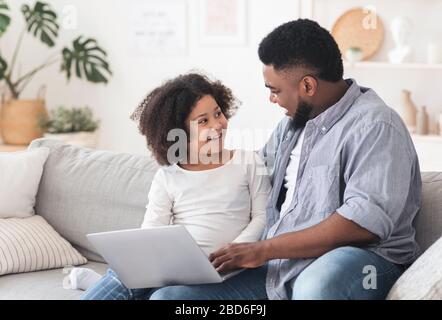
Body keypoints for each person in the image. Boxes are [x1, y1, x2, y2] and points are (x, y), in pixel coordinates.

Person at [146, 19, 422, 300]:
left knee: (317, 286)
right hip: (284, 265)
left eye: (274, 90)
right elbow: (252, 177)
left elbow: (363, 223)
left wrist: (263, 250)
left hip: (362, 262)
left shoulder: (376, 125)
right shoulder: (289, 127)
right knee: (169, 298)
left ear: (308, 86)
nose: (271, 99)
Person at [79, 73, 271, 300]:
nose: (217, 125)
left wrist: (237, 250)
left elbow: (263, 215)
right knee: (122, 276)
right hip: (180, 269)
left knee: (163, 297)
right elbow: (151, 232)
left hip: (231, 269)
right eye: (203, 121)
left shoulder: (248, 162)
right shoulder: (168, 177)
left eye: (218, 113)